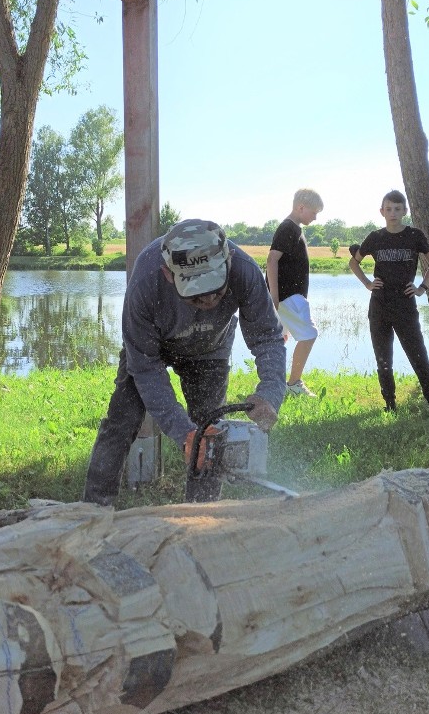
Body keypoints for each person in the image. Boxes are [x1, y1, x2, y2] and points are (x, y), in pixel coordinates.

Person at [83, 219, 287, 506]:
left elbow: (267, 338)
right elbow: (145, 368)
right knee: (122, 419)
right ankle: (94, 509)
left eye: (216, 289)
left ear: (228, 260)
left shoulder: (245, 270)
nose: (209, 301)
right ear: (169, 274)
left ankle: (201, 516)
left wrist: (271, 392)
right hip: (152, 347)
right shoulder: (145, 281)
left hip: (210, 349)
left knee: (209, 434)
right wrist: (183, 432)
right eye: (196, 292)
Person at [348, 189, 429, 415]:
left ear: (405, 211)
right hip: (380, 305)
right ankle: (390, 405)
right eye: (388, 209)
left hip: (405, 305)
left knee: (419, 356)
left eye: (397, 209)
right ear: (382, 211)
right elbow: (354, 263)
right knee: (384, 358)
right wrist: (367, 283)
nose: (393, 213)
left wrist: (422, 287)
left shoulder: (414, 236)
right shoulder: (375, 238)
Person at [265, 188, 324, 397]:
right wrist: (274, 297)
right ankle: (294, 384)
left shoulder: (294, 228)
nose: (315, 218)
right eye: (314, 212)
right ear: (301, 207)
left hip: (291, 296)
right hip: (288, 295)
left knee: (281, 340)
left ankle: (276, 384)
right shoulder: (288, 229)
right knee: (309, 335)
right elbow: (272, 260)